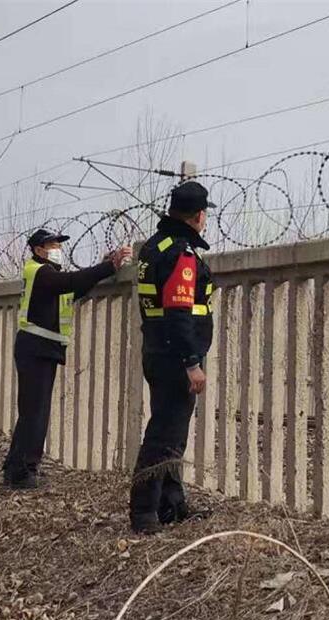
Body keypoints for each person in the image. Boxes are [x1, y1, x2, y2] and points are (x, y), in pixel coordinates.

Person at [3, 229, 131, 490]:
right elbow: (71, 281)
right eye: (52, 244)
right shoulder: (39, 272)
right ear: (38, 250)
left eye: (58, 244)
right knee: (35, 413)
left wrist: (105, 267)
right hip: (36, 347)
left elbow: (76, 287)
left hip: (41, 347)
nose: (57, 248)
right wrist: (109, 266)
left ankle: (16, 466)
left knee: (32, 411)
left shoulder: (49, 276)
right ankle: (23, 471)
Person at [129, 181, 217, 534]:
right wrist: (192, 362)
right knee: (164, 436)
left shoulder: (153, 247)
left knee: (171, 433)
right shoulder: (182, 253)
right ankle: (144, 513)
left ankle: (171, 504)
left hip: (156, 349)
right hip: (176, 356)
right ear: (198, 216)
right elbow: (179, 312)